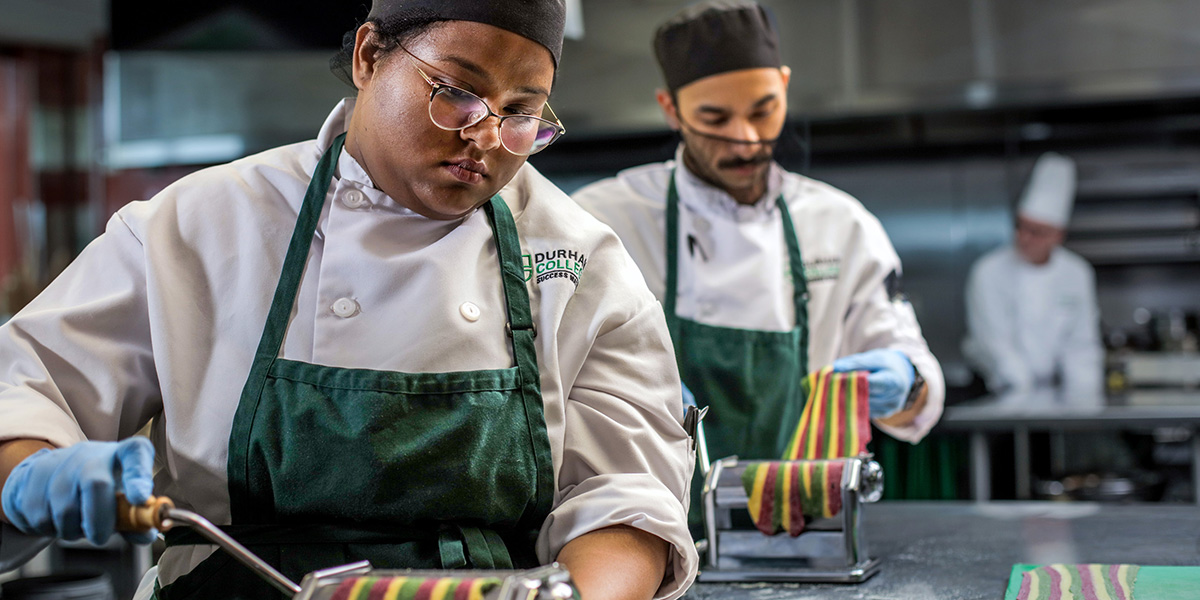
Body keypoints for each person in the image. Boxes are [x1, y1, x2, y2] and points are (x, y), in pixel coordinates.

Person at [0, 2, 698, 599]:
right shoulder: (196, 226)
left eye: (520, 113)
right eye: (458, 92)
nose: (488, 137)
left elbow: (627, 499)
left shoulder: (582, 259)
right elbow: (29, 390)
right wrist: (35, 472)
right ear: (368, 56)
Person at [572, 0, 944, 476]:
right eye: (715, 119)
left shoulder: (841, 225)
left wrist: (908, 385)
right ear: (671, 110)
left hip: (808, 506)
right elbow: (552, 377)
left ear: (784, 87)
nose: (746, 139)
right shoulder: (602, 222)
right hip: (649, 505)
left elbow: (918, 394)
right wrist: (623, 395)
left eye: (763, 111)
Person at [963, 152, 1104, 407]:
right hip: (996, 389)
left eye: (1036, 232)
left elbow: (1081, 346)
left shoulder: (1077, 273)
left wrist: (1085, 402)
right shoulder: (988, 271)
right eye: (1021, 226)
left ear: (1058, 235)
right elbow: (994, 343)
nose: (1024, 238)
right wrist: (1024, 397)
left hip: (1053, 391)